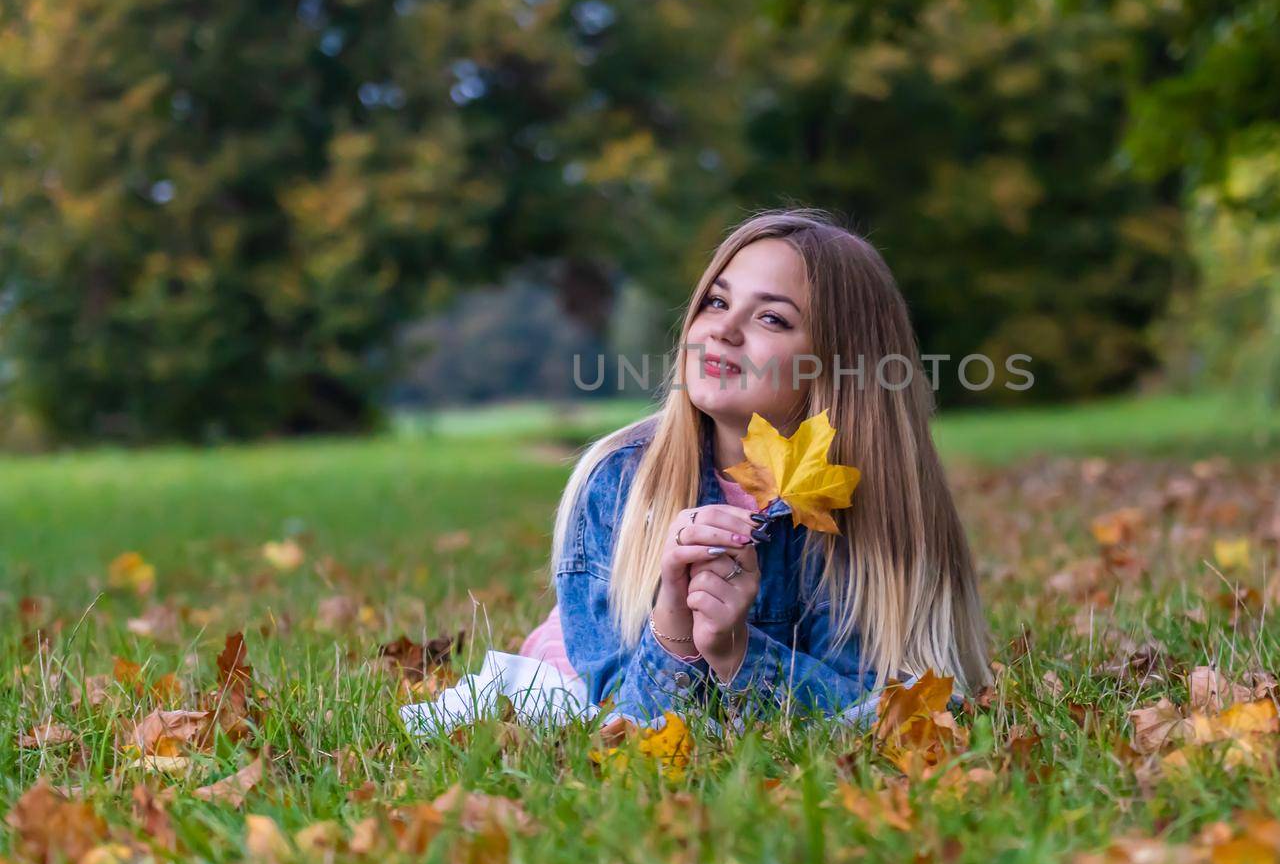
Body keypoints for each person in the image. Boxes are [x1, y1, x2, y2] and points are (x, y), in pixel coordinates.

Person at [404, 208, 990, 736]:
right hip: (592, 680)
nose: (724, 330)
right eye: (716, 301)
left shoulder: (877, 508)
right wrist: (676, 634)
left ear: (842, 364)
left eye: (772, 319)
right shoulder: (619, 482)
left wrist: (740, 654)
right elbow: (623, 719)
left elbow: (890, 709)